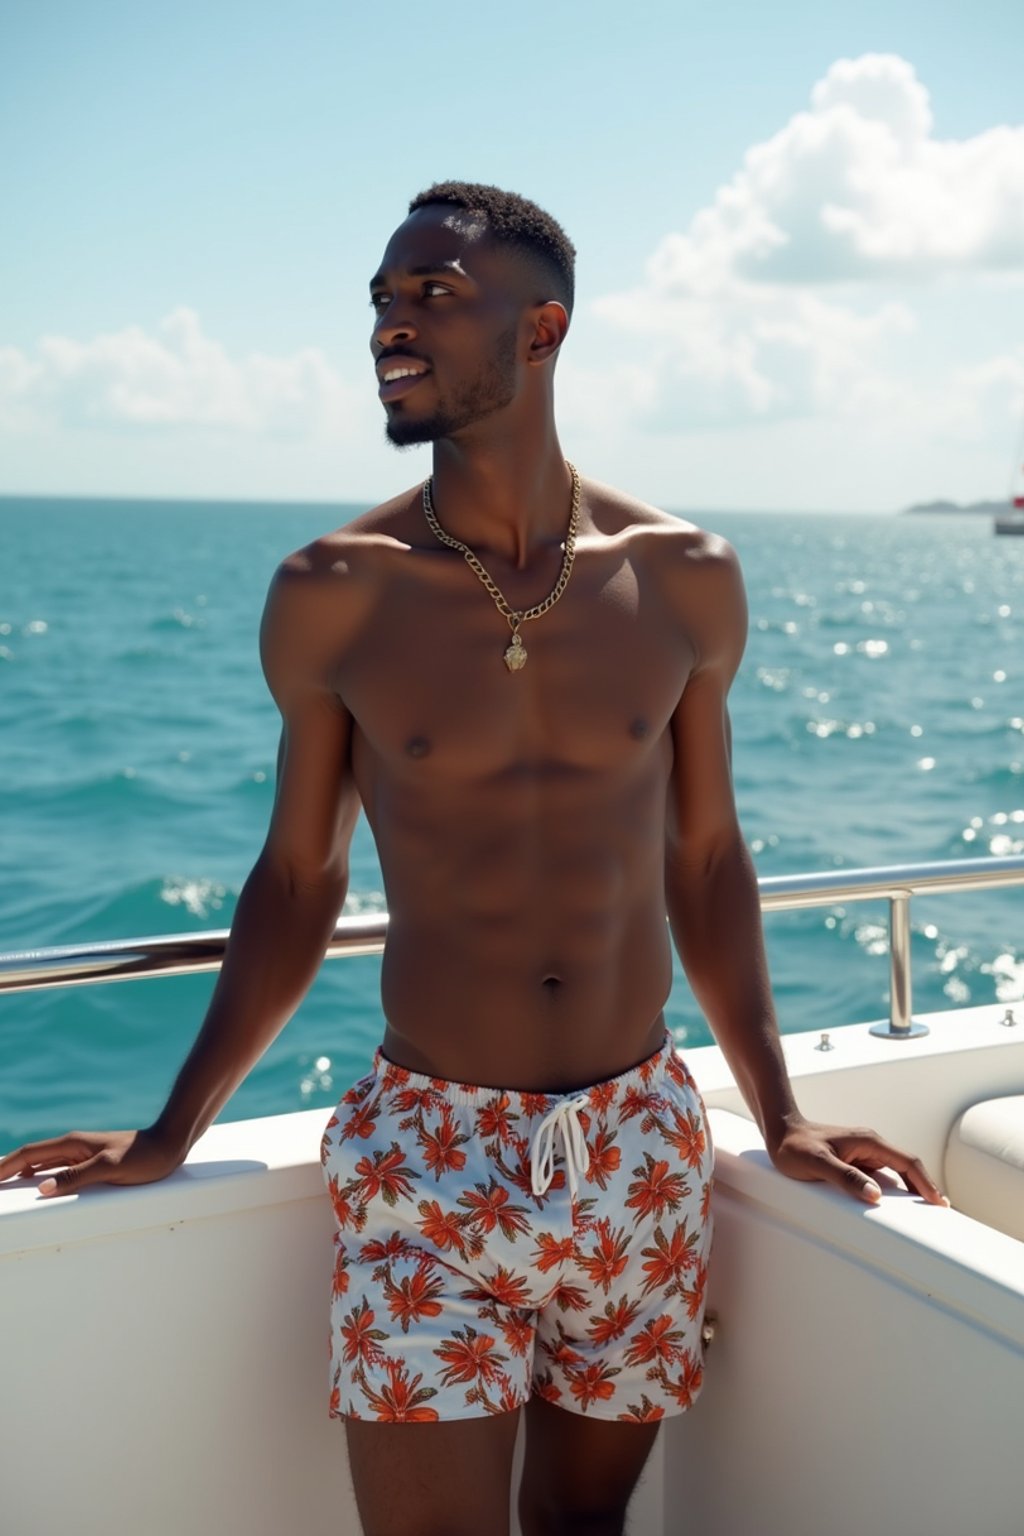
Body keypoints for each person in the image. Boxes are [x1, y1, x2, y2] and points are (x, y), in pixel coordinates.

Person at [0, 181, 948, 1536]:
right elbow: (297, 880)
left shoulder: (684, 576)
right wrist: (171, 1129)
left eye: (433, 297)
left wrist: (779, 1110)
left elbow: (707, 857)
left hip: (640, 1142)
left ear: (544, 328)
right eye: (383, 301)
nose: (393, 325)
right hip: (429, 1158)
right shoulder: (336, 591)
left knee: (584, 1527)